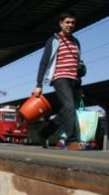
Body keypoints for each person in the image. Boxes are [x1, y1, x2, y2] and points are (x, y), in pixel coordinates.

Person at [32, 10, 83, 150]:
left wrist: (79, 86)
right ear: (60, 23)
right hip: (59, 77)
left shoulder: (76, 42)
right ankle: (71, 141)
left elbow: (77, 64)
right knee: (69, 107)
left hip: (73, 80)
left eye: (72, 22)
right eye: (67, 22)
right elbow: (44, 62)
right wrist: (39, 84)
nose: (70, 25)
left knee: (65, 111)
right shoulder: (54, 40)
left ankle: (44, 133)